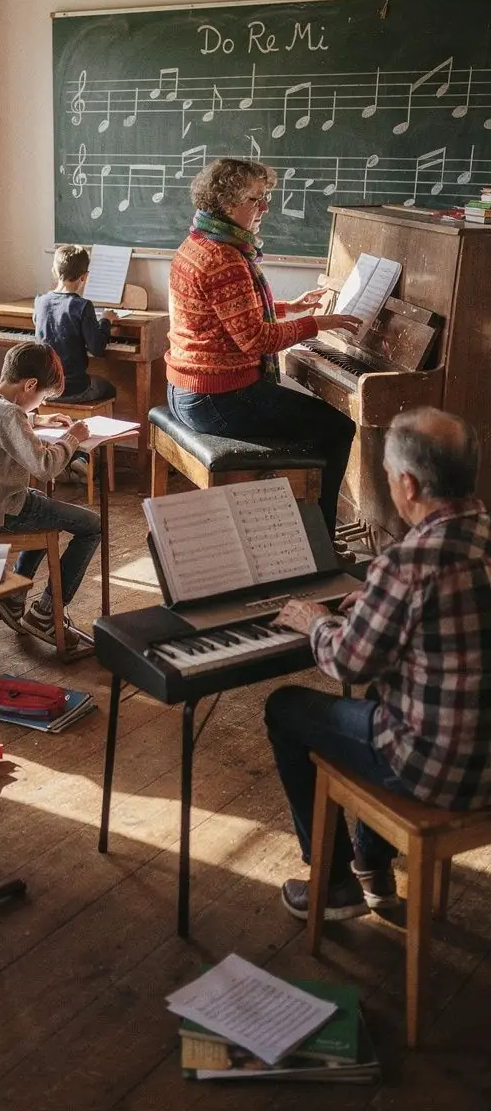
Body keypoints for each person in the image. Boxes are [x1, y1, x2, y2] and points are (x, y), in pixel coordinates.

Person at [266, 407, 491, 920]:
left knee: (285, 708)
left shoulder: (408, 562)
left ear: (408, 484)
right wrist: (379, 600)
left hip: (439, 773)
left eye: (389, 476)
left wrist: (315, 621)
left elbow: (348, 662)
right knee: (382, 696)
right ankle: (371, 861)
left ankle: (332, 883)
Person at [165, 157, 361, 537]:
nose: (265, 208)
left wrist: (290, 308)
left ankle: (289, 527)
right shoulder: (225, 258)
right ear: (227, 203)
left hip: (186, 390)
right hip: (216, 400)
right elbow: (256, 339)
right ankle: (317, 541)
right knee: (337, 428)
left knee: (311, 421)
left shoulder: (199, 242)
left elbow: (231, 313)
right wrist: (317, 324)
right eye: (256, 199)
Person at [0, 343, 100, 655]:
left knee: (43, 509)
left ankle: (13, 598)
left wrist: (36, 421)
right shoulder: (9, 414)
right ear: (29, 384)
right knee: (92, 526)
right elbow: (45, 467)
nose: (41, 404)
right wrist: (72, 439)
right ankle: (46, 613)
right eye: (42, 397)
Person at [34, 244, 116, 403]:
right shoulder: (83, 306)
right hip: (74, 389)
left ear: (54, 271)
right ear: (84, 277)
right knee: (110, 389)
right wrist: (106, 320)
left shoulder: (40, 302)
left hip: (46, 388)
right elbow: (97, 348)